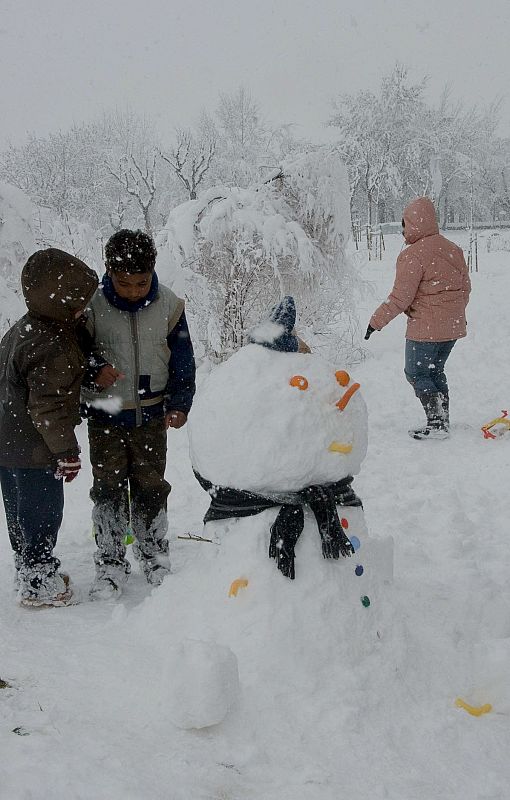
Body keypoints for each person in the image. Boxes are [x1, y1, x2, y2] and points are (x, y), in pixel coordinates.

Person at [81, 229, 196, 599]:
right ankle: (110, 561)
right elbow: (75, 353)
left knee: (151, 486)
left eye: (141, 283)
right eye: (124, 283)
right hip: (105, 414)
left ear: (153, 272)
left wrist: (179, 403)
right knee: (108, 489)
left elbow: (182, 359)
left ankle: (153, 553)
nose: (132, 290)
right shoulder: (91, 305)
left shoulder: (169, 305)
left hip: (150, 415)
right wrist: (94, 368)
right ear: (109, 273)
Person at [0, 248, 99, 606]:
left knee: (19, 515)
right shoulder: (50, 344)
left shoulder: (25, 328)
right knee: (42, 514)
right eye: (78, 304)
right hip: (34, 448)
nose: (83, 310)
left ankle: (27, 568)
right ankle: (39, 582)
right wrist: (66, 451)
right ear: (60, 304)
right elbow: (48, 407)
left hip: (8, 446)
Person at [365, 196, 471, 440]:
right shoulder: (453, 249)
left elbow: (400, 298)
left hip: (426, 329)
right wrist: (453, 313)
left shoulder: (413, 255)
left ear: (414, 224)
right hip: (452, 328)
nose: (403, 231)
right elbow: (465, 288)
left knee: (416, 372)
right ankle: (442, 422)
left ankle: (436, 424)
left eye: (405, 225)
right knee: (435, 371)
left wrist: (375, 322)